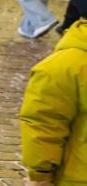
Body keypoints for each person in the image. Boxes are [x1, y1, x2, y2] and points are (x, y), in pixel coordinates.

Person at [19, 19, 87, 186]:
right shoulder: (68, 65)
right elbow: (44, 123)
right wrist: (40, 174)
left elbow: (43, 123)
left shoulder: (66, 64)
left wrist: (39, 174)